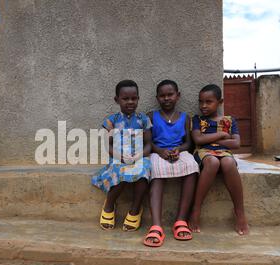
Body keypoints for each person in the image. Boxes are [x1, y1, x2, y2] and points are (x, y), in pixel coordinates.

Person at [143, 80, 199, 247]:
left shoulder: (185, 118)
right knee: (155, 170)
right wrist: (160, 151)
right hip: (157, 152)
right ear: (157, 98)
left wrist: (178, 149)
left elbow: (189, 143)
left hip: (179, 152)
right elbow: (148, 142)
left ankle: (181, 220)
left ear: (178, 96)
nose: (166, 98)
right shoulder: (151, 116)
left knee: (192, 166)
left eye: (170, 94)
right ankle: (156, 225)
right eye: (162, 95)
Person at [92, 80, 152, 232]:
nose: (130, 102)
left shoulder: (144, 120)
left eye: (134, 98)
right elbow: (108, 145)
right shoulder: (111, 121)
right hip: (119, 157)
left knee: (144, 172)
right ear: (116, 100)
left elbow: (149, 144)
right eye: (125, 99)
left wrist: (139, 156)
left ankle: (135, 209)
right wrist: (121, 157)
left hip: (140, 156)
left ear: (138, 98)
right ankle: (109, 204)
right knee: (121, 171)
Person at [190, 84, 249, 235]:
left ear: (220, 102)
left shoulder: (230, 121)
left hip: (224, 153)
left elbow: (236, 143)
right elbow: (198, 139)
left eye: (208, 102)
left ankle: (240, 212)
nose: (203, 105)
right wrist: (222, 135)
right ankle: (196, 209)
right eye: (201, 101)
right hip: (204, 153)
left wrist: (211, 140)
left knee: (228, 162)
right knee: (213, 162)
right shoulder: (198, 120)